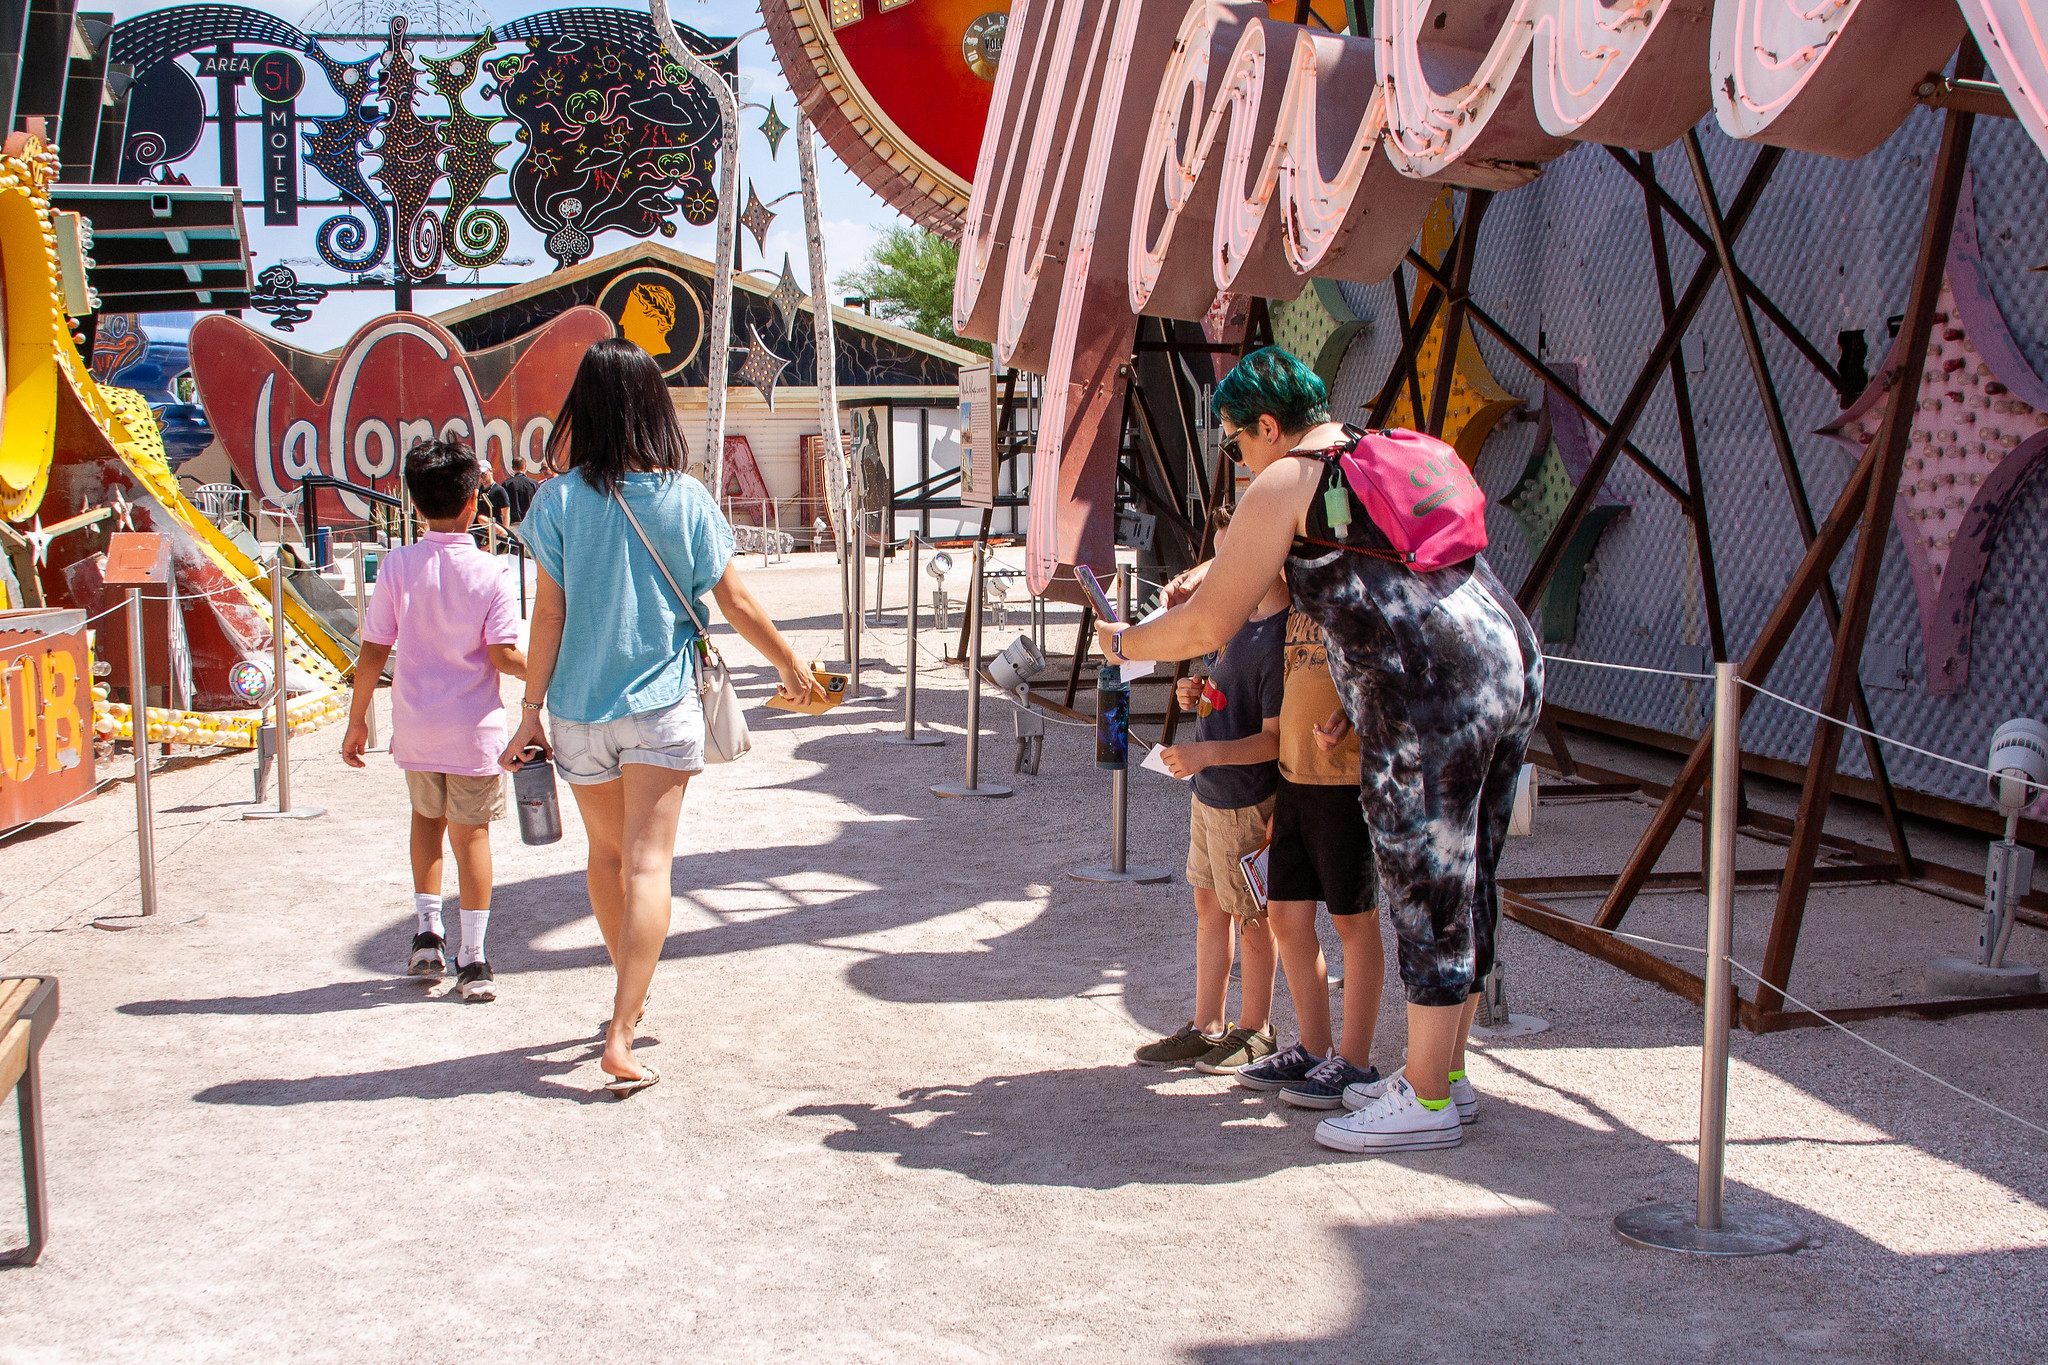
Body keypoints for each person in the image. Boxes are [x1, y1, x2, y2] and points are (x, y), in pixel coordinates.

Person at [1097, 347, 1542, 1154]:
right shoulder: (1368, 454)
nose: (1239, 460)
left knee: (1424, 884)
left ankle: (1427, 1095)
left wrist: (1125, 640)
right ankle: (1449, 1073)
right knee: (1467, 873)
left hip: (1426, 685)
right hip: (1504, 657)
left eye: (1238, 441)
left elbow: (1206, 626)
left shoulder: (1287, 477)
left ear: (1269, 426)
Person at [501, 338, 819, 1098]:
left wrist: (529, 713)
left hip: (577, 709)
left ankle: (628, 998)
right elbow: (734, 602)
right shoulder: (684, 497)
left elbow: (546, 616)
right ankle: (620, 1027)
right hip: (660, 703)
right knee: (650, 866)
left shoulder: (557, 501)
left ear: (586, 406)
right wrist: (789, 664)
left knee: (607, 859)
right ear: (651, 405)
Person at [343, 438, 527, 1003]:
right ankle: (473, 958)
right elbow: (503, 654)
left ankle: (427, 936)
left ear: (414, 502)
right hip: (475, 732)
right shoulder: (493, 572)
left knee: (426, 821)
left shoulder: (397, 565)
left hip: (417, 725)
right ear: (475, 500)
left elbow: (374, 650)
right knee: (473, 836)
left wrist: (358, 722)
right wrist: (549, 673)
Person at [1132, 548, 1288, 1074]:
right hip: (1210, 791)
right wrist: (1195, 693)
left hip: (1244, 795)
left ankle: (1256, 1028)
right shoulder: (1236, 620)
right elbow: (1228, 696)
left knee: (1252, 916)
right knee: (1209, 905)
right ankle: (1208, 1024)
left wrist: (1207, 753)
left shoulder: (1277, 637)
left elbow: (1274, 740)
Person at [1230, 610, 1383, 1108]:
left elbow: (1389, 678)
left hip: (1347, 782)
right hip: (1293, 780)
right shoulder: (1297, 602)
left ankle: (1356, 1062)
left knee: (1353, 919)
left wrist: (1352, 718)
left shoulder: (1362, 597)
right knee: (1286, 916)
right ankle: (1315, 1048)